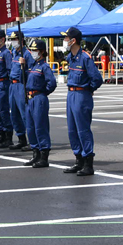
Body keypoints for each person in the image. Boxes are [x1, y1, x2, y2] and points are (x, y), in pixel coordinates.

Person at [60, 26, 103, 176]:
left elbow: (97, 79)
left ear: (73, 40)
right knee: (72, 129)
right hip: (71, 95)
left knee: (83, 130)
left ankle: (88, 163)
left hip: (81, 95)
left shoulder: (85, 57)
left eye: (66, 38)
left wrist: (88, 90)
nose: (64, 41)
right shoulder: (70, 57)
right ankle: (78, 160)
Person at [23, 38, 58, 168]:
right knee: (31, 127)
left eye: (35, 50)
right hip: (30, 98)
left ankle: (43, 156)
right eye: (32, 50)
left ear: (42, 51)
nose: (33, 52)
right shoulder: (32, 65)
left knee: (40, 127)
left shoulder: (44, 66)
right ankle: (35, 153)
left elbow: (52, 83)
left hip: (39, 98)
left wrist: (43, 93)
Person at [6, 31, 36, 152]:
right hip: (12, 85)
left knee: (25, 115)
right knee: (14, 115)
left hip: (21, 85)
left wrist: (24, 67)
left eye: (15, 39)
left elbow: (32, 72)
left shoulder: (27, 54)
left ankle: (32, 141)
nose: (13, 42)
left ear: (21, 40)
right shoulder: (14, 53)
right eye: (12, 39)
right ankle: (21, 139)